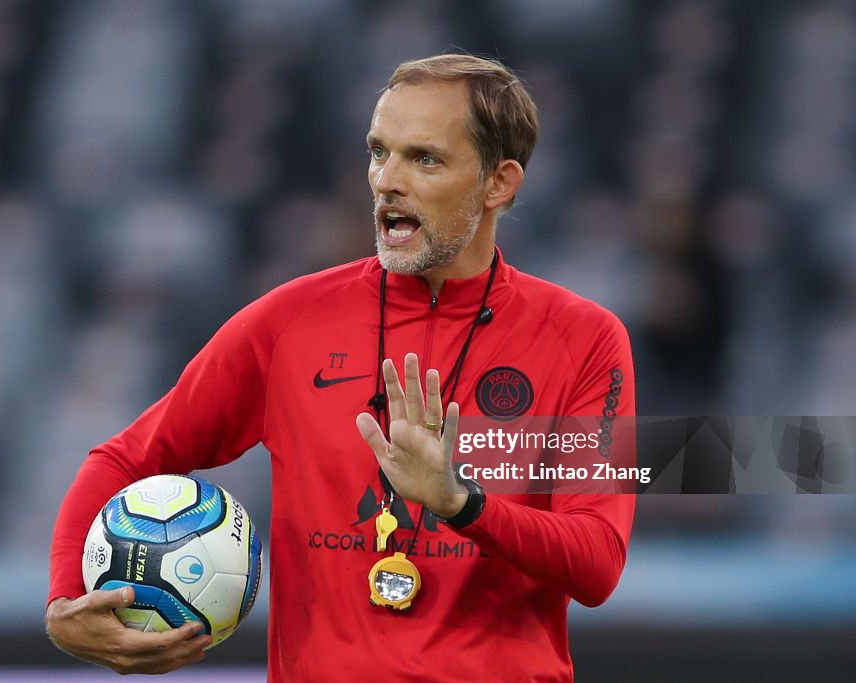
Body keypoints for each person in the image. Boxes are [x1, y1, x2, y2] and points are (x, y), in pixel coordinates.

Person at [46, 53, 635, 682]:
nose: (387, 181)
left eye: (424, 158)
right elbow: (124, 458)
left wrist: (460, 503)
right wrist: (63, 603)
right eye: (379, 152)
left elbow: (597, 562)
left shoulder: (586, 339)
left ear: (500, 183)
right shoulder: (288, 322)